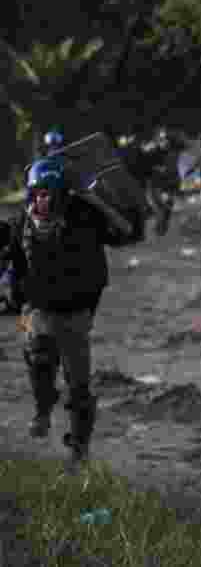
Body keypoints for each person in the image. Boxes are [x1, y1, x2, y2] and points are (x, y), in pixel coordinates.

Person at [4, 157, 143, 465]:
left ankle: (79, 448)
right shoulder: (22, 223)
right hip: (39, 306)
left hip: (77, 310)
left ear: (63, 194)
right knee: (39, 356)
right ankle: (42, 410)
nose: (43, 199)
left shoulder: (84, 215)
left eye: (50, 192)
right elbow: (10, 260)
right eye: (38, 193)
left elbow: (126, 232)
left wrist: (93, 197)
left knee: (78, 385)